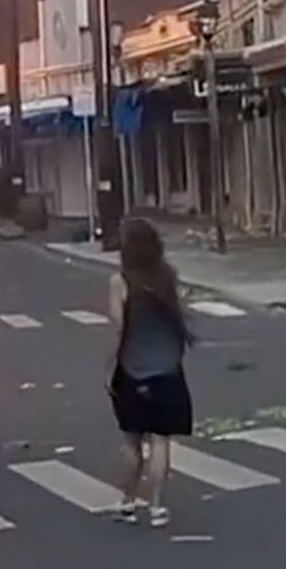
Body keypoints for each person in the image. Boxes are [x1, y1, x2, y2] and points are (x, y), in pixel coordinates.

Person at [105, 217, 197, 528]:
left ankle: (127, 502)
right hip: (168, 369)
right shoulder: (167, 277)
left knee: (131, 440)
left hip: (132, 369)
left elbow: (119, 328)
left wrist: (110, 367)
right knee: (160, 441)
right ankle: (157, 506)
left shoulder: (120, 282)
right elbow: (180, 317)